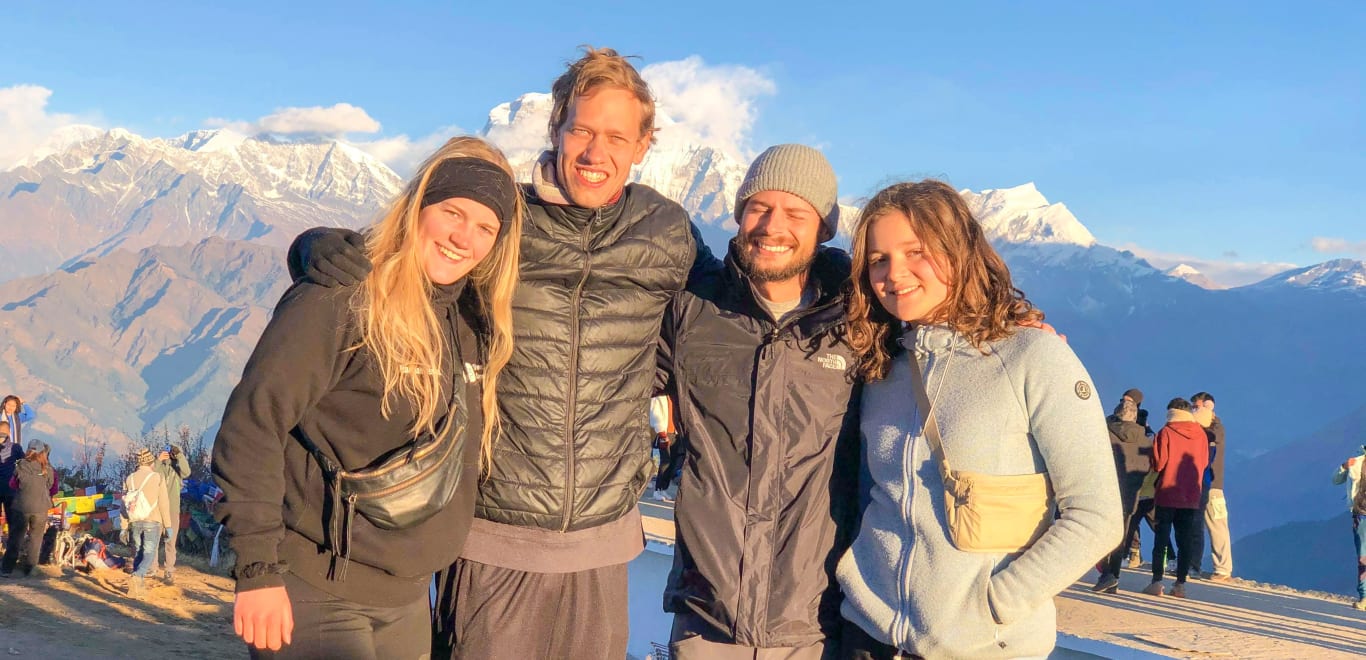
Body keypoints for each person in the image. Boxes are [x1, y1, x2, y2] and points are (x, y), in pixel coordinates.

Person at [290, 48, 703, 659]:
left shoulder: (667, 231)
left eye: (617, 136)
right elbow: (406, 261)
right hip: (493, 532)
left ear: (644, 146)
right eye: (582, 130)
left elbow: (732, 307)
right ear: (556, 130)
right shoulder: (503, 218)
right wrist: (314, 248)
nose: (596, 153)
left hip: (603, 542)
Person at [212, 135, 522, 657]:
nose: (463, 237)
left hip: (405, 600)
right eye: (452, 211)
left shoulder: (471, 319)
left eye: (486, 227)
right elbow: (253, 424)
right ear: (417, 207)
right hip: (315, 586)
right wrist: (258, 571)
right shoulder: (344, 297)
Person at [836, 180, 1121, 659]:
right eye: (878, 259)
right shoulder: (880, 366)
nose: (895, 273)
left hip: (980, 646)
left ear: (958, 251)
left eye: (915, 252)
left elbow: (1097, 516)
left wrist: (994, 606)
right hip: (867, 637)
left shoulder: (1032, 355)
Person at [657, 144, 860, 658]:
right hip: (707, 618)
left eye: (796, 213)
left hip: (813, 624)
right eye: (759, 208)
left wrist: (1014, 327)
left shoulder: (859, 324)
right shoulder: (692, 311)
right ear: (740, 214)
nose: (773, 226)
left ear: (824, 228)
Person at [1141, 397, 1210, 598]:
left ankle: (1157, 582)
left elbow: (1159, 463)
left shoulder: (1166, 433)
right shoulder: (1201, 434)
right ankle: (1180, 584)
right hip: (1191, 493)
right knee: (1185, 539)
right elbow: (1205, 462)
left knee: (1161, 538)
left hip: (1168, 491)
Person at [1094, 397, 1152, 592]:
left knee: (1098, 532)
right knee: (1120, 536)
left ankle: (1106, 573)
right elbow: (1146, 466)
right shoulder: (1144, 438)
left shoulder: (1105, 433)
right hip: (1130, 494)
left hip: (1105, 491)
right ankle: (1113, 576)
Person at [1191, 391, 1232, 581]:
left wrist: (1205, 414)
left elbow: (1211, 438)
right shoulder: (1206, 429)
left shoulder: (1216, 429)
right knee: (1197, 525)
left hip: (1213, 485)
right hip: (1200, 484)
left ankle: (1223, 569)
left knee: (1217, 526)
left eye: (1197, 406)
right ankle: (1194, 564)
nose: (1194, 410)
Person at [122, 447, 172, 598]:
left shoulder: (129, 478)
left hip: (135, 521)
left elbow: (124, 505)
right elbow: (163, 503)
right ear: (151, 462)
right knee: (149, 555)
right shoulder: (157, 478)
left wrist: (123, 527)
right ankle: (137, 577)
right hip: (152, 521)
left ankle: (137, 589)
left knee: (138, 553)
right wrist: (168, 526)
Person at [1, 439, 55, 577]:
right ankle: (30, 569)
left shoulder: (20, 466)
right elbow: (51, 486)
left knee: (16, 538)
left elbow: (13, 485)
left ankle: (7, 568)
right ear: (43, 452)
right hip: (41, 508)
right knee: (35, 539)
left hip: (21, 507)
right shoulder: (48, 469)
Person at [1331, 445, 1366, 611]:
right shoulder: (1357, 462)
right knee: (1363, 557)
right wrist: (1344, 467)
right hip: (1361, 515)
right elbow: (1336, 480)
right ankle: (1365, 597)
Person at [155, 444, 192, 585]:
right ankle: (152, 568)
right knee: (154, 540)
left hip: (172, 509)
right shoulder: (159, 467)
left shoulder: (177, 471)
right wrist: (159, 460)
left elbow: (187, 472)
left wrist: (179, 455)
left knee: (170, 541)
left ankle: (169, 570)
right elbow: (154, 474)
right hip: (157, 509)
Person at [648, 395, 680, 502]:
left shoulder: (674, 395)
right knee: (665, 461)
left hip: (674, 432)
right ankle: (657, 490)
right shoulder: (659, 397)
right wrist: (661, 433)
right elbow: (654, 412)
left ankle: (664, 488)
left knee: (673, 462)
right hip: (663, 432)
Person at [0, 421, 21, 548]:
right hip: (10, 489)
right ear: (9, 432)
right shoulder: (16, 448)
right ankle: (12, 548)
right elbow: (24, 465)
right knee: (12, 520)